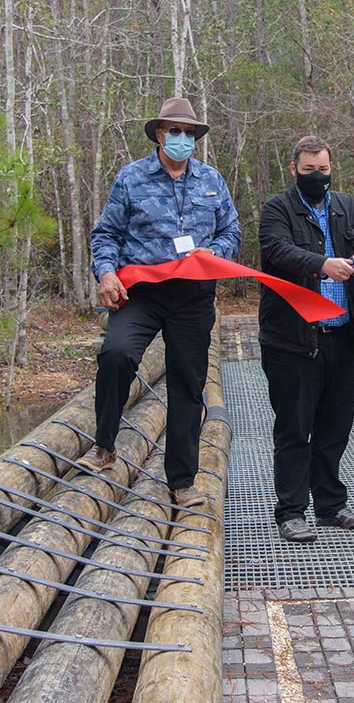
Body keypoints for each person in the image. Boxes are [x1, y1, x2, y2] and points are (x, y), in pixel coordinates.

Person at [83, 97, 241, 510]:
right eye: (175, 131)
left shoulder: (212, 180)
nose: (183, 139)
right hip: (142, 292)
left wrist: (213, 254)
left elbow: (232, 231)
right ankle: (104, 445)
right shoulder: (131, 178)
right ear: (159, 134)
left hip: (193, 296)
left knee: (188, 383)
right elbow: (106, 235)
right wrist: (106, 273)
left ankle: (182, 480)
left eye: (189, 133)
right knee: (116, 355)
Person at [258, 135, 354, 543]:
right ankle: (291, 511)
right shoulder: (277, 208)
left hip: (342, 333)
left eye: (323, 169)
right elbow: (278, 251)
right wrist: (322, 264)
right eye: (309, 170)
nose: (317, 176)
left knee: (335, 426)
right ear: (294, 169)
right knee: (294, 427)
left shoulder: (347, 207)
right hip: (292, 337)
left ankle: (330, 505)